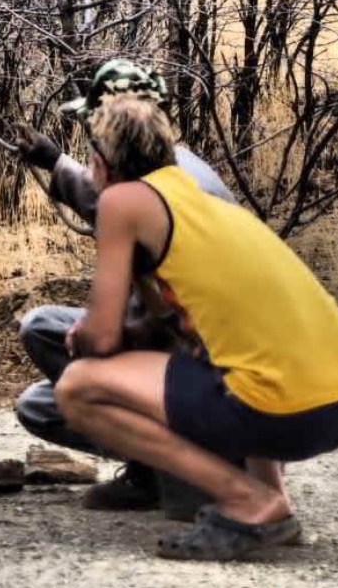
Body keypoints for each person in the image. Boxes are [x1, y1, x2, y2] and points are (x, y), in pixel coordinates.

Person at [21, 87, 338, 560]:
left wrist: (88, 337)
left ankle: (248, 502)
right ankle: (274, 501)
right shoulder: (205, 201)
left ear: (102, 163)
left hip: (285, 413)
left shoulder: (123, 201)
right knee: (235, 354)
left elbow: (100, 339)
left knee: (76, 389)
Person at [13, 60, 240, 519]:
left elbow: (174, 321)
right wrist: (55, 161)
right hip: (183, 346)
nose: (93, 134)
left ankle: (179, 466)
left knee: (69, 383)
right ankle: (164, 458)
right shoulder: (167, 168)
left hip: (204, 363)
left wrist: (107, 336)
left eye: (97, 123)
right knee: (41, 399)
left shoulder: (173, 196)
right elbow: (106, 196)